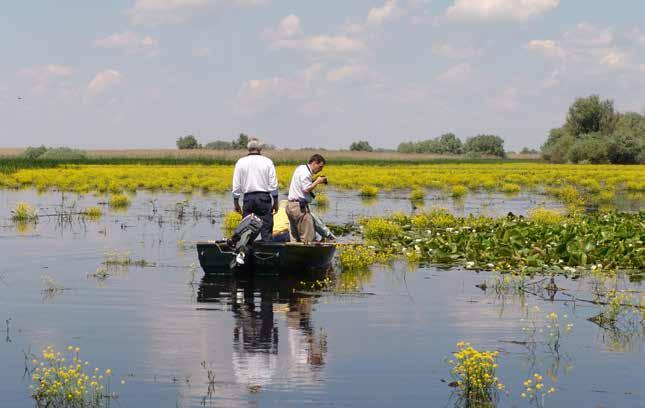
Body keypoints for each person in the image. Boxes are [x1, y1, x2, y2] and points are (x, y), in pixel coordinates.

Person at [231, 138, 278, 241]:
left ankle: (244, 251)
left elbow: (236, 185)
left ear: (248, 149)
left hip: (248, 198)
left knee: (245, 228)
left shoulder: (241, 162)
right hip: (264, 199)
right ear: (260, 149)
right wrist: (275, 202)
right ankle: (267, 251)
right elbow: (273, 185)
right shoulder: (267, 162)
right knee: (266, 227)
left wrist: (236, 203)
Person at [286, 154, 331, 243]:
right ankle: (307, 256)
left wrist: (314, 182)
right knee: (308, 237)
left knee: (295, 237)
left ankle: (293, 256)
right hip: (299, 208)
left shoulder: (301, 168)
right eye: (320, 166)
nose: (321, 169)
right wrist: (317, 181)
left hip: (291, 206)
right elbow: (306, 189)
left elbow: (303, 186)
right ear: (314, 163)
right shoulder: (306, 173)